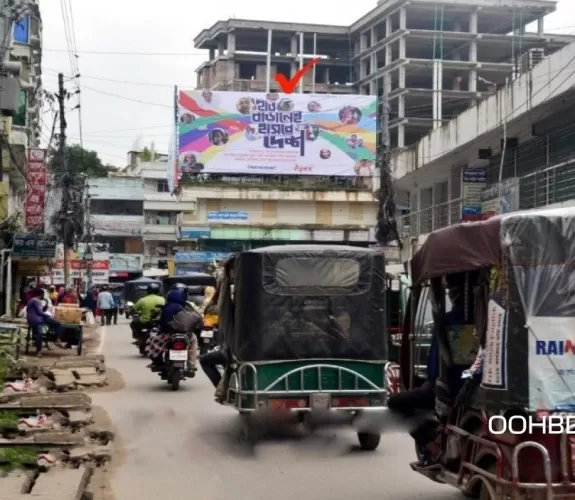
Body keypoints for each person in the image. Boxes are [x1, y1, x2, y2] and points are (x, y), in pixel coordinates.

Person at [387, 273, 473, 465]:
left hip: (449, 386)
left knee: (396, 403)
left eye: (451, 290)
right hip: (470, 385)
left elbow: (435, 367)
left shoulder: (450, 321)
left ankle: (432, 442)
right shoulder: (493, 318)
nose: (450, 294)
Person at [146, 285, 200, 374]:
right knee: (194, 340)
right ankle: (191, 365)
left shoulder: (167, 307)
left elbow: (163, 322)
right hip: (186, 334)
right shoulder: (187, 306)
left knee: (151, 341)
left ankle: (158, 362)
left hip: (167, 335)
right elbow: (198, 319)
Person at [26, 288, 66, 356]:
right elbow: (40, 312)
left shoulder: (34, 300)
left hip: (38, 318)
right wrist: (47, 314)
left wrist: (45, 306)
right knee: (40, 332)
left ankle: (57, 339)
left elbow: (40, 310)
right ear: (41, 294)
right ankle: (39, 351)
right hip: (36, 320)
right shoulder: (35, 300)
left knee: (57, 323)